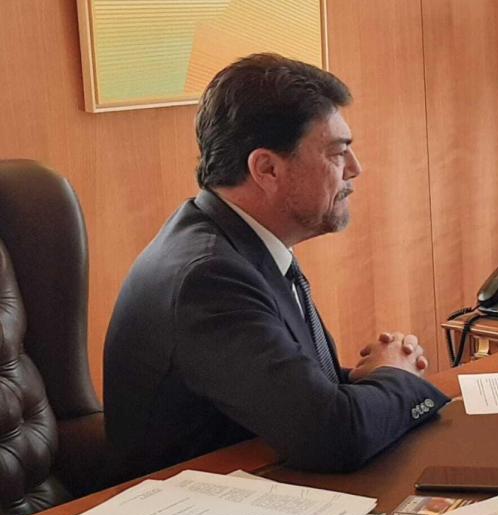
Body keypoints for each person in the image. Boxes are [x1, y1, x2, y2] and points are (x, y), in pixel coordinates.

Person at [103, 54, 449, 475]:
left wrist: (371, 378)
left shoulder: (236, 241)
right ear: (266, 168)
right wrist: (397, 376)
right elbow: (332, 436)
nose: (355, 170)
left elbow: (293, 389)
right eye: (338, 154)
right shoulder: (208, 278)